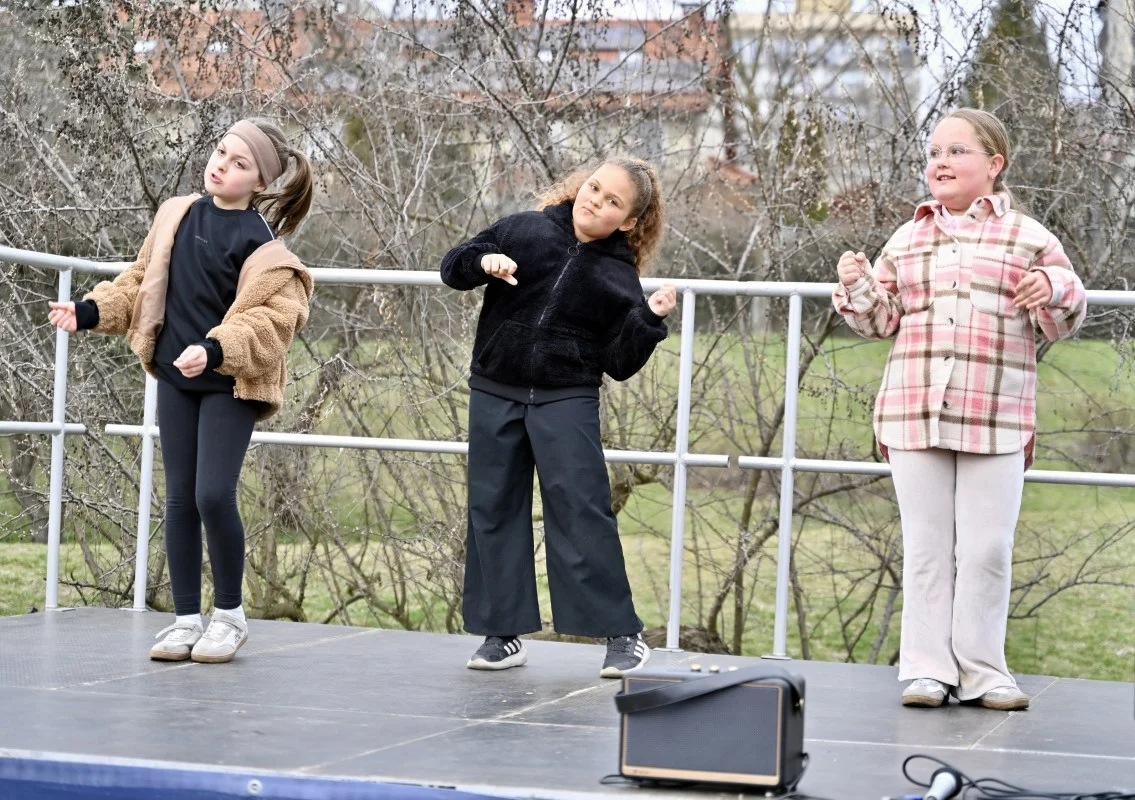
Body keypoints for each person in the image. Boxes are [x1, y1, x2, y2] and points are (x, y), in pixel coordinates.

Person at [834, 108, 1087, 710]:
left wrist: (1050, 289)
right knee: (925, 547)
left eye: (957, 152)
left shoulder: (1028, 237)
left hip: (997, 415)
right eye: (935, 153)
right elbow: (880, 323)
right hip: (912, 411)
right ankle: (925, 670)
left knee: (986, 549)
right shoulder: (908, 236)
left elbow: (1066, 311)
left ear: (994, 165)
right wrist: (859, 285)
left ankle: (984, 671)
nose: (940, 163)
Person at [47, 118, 314, 664]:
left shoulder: (266, 250)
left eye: (240, 164)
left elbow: (273, 325)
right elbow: (141, 282)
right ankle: (186, 620)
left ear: (260, 183)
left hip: (227, 384)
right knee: (179, 498)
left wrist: (215, 350)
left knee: (213, 494)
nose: (222, 165)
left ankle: (230, 617)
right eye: (221, 152)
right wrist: (91, 310)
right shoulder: (178, 214)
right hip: (174, 377)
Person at [441, 157, 677, 678]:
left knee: (581, 507)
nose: (596, 201)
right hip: (494, 388)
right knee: (493, 507)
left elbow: (619, 362)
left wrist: (649, 319)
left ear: (631, 221)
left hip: (566, 397)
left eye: (613, 201)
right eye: (594, 188)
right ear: (580, 186)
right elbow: (454, 265)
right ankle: (501, 635)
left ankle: (623, 635)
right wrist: (484, 263)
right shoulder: (524, 229)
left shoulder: (619, 278)